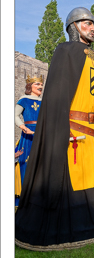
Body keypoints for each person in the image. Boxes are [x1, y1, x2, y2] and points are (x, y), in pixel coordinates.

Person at [15, 7, 94, 251]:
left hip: (91, 131)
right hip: (72, 131)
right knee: (68, 182)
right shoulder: (64, 52)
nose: (93, 28)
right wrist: (60, 131)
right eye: (87, 23)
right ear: (74, 26)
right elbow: (59, 96)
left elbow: (93, 96)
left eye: (93, 24)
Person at [14, 75, 44, 208]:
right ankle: (25, 196)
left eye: (41, 84)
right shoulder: (24, 99)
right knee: (26, 162)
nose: (40, 86)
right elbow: (14, 115)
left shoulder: (45, 101)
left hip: (42, 133)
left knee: (42, 163)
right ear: (29, 86)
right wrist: (23, 127)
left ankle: (40, 195)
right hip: (28, 135)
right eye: (37, 84)